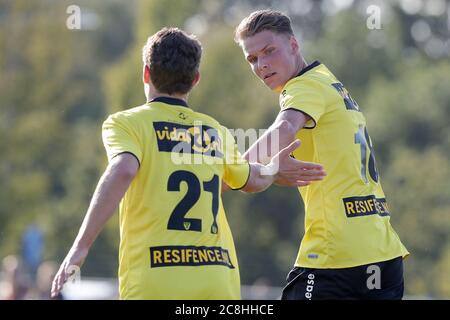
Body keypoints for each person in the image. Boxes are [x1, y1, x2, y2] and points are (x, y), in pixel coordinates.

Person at [51, 27, 325, 300]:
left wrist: (81, 246)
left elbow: (123, 169)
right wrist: (274, 169)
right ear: (195, 79)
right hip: (216, 280)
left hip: (155, 281)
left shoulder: (126, 123)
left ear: (146, 73)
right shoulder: (214, 130)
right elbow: (251, 180)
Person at [234, 10, 409, 300]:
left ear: (293, 45)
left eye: (269, 51)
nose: (262, 65)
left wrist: (237, 170)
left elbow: (285, 126)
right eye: (252, 59)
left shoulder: (305, 86)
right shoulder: (329, 82)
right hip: (383, 255)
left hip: (337, 257)